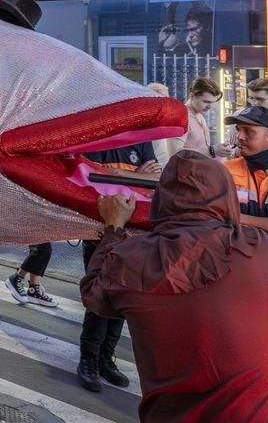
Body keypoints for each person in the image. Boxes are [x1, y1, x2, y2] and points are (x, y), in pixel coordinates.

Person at [81, 152, 268, 421]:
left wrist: (114, 228)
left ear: (162, 199)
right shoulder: (259, 246)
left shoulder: (133, 259)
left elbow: (95, 295)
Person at [76, 141, 160, 392]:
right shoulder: (100, 137)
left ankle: (105, 359)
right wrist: (138, 175)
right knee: (98, 298)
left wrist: (125, 175)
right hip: (101, 232)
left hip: (133, 234)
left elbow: (156, 178)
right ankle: (87, 361)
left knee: (121, 299)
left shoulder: (144, 141)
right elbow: (94, 175)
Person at [221, 105, 268, 217]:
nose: (240, 136)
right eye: (238, 130)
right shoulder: (225, 170)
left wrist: (240, 219)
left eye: (248, 131)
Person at [170, 77, 234, 159]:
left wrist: (218, 150)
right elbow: (175, 153)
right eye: (206, 102)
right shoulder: (180, 118)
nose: (210, 107)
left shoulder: (198, 115)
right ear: (192, 96)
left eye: (212, 102)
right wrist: (211, 150)